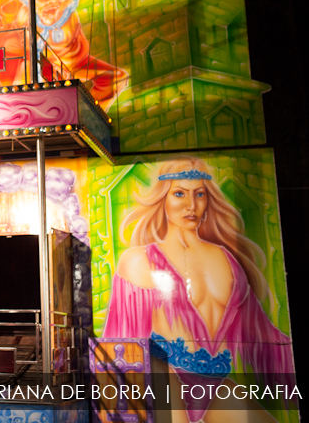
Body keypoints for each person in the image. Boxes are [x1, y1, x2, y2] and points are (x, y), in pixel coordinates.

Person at [104, 156, 294, 422]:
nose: (191, 205)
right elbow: (121, 342)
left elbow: (262, 333)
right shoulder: (139, 260)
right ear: (163, 199)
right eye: (179, 193)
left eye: (199, 194)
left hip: (214, 380)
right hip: (165, 375)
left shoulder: (229, 259)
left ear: (207, 199)